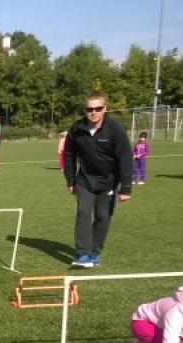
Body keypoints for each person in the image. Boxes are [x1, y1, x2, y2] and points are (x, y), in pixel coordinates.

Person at [62, 93, 132, 269]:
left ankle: (94, 252)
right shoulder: (76, 129)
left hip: (108, 181)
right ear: (85, 110)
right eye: (89, 109)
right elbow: (68, 154)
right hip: (84, 180)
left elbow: (125, 158)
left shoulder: (115, 129)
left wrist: (126, 188)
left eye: (98, 109)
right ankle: (82, 254)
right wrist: (70, 180)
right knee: (83, 213)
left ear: (105, 109)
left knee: (103, 217)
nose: (93, 112)